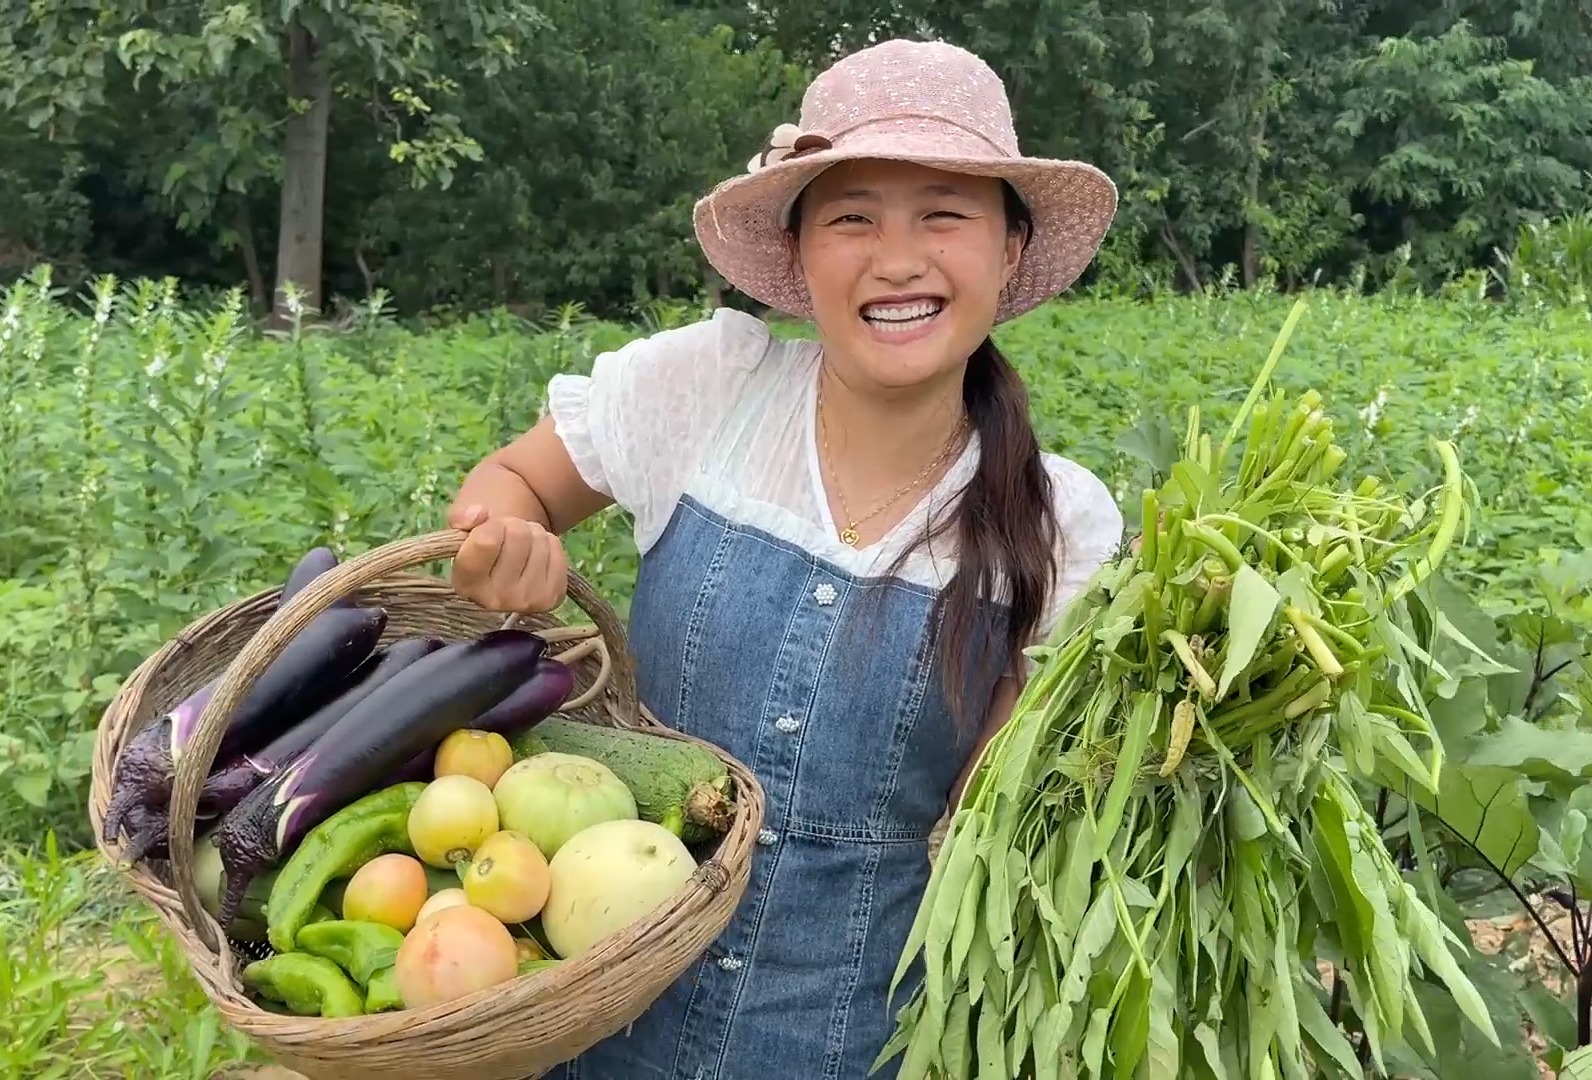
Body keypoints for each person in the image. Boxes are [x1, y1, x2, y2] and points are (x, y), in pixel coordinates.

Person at [445, 37, 1125, 1080]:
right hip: (597, 1017)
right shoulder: (705, 391)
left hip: (861, 1041)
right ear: (800, 255)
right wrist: (505, 537)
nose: (897, 259)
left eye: (945, 214)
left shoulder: (1057, 522)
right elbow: (511, 483)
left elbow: (992, 825)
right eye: (852, 217)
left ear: (1012, 252)